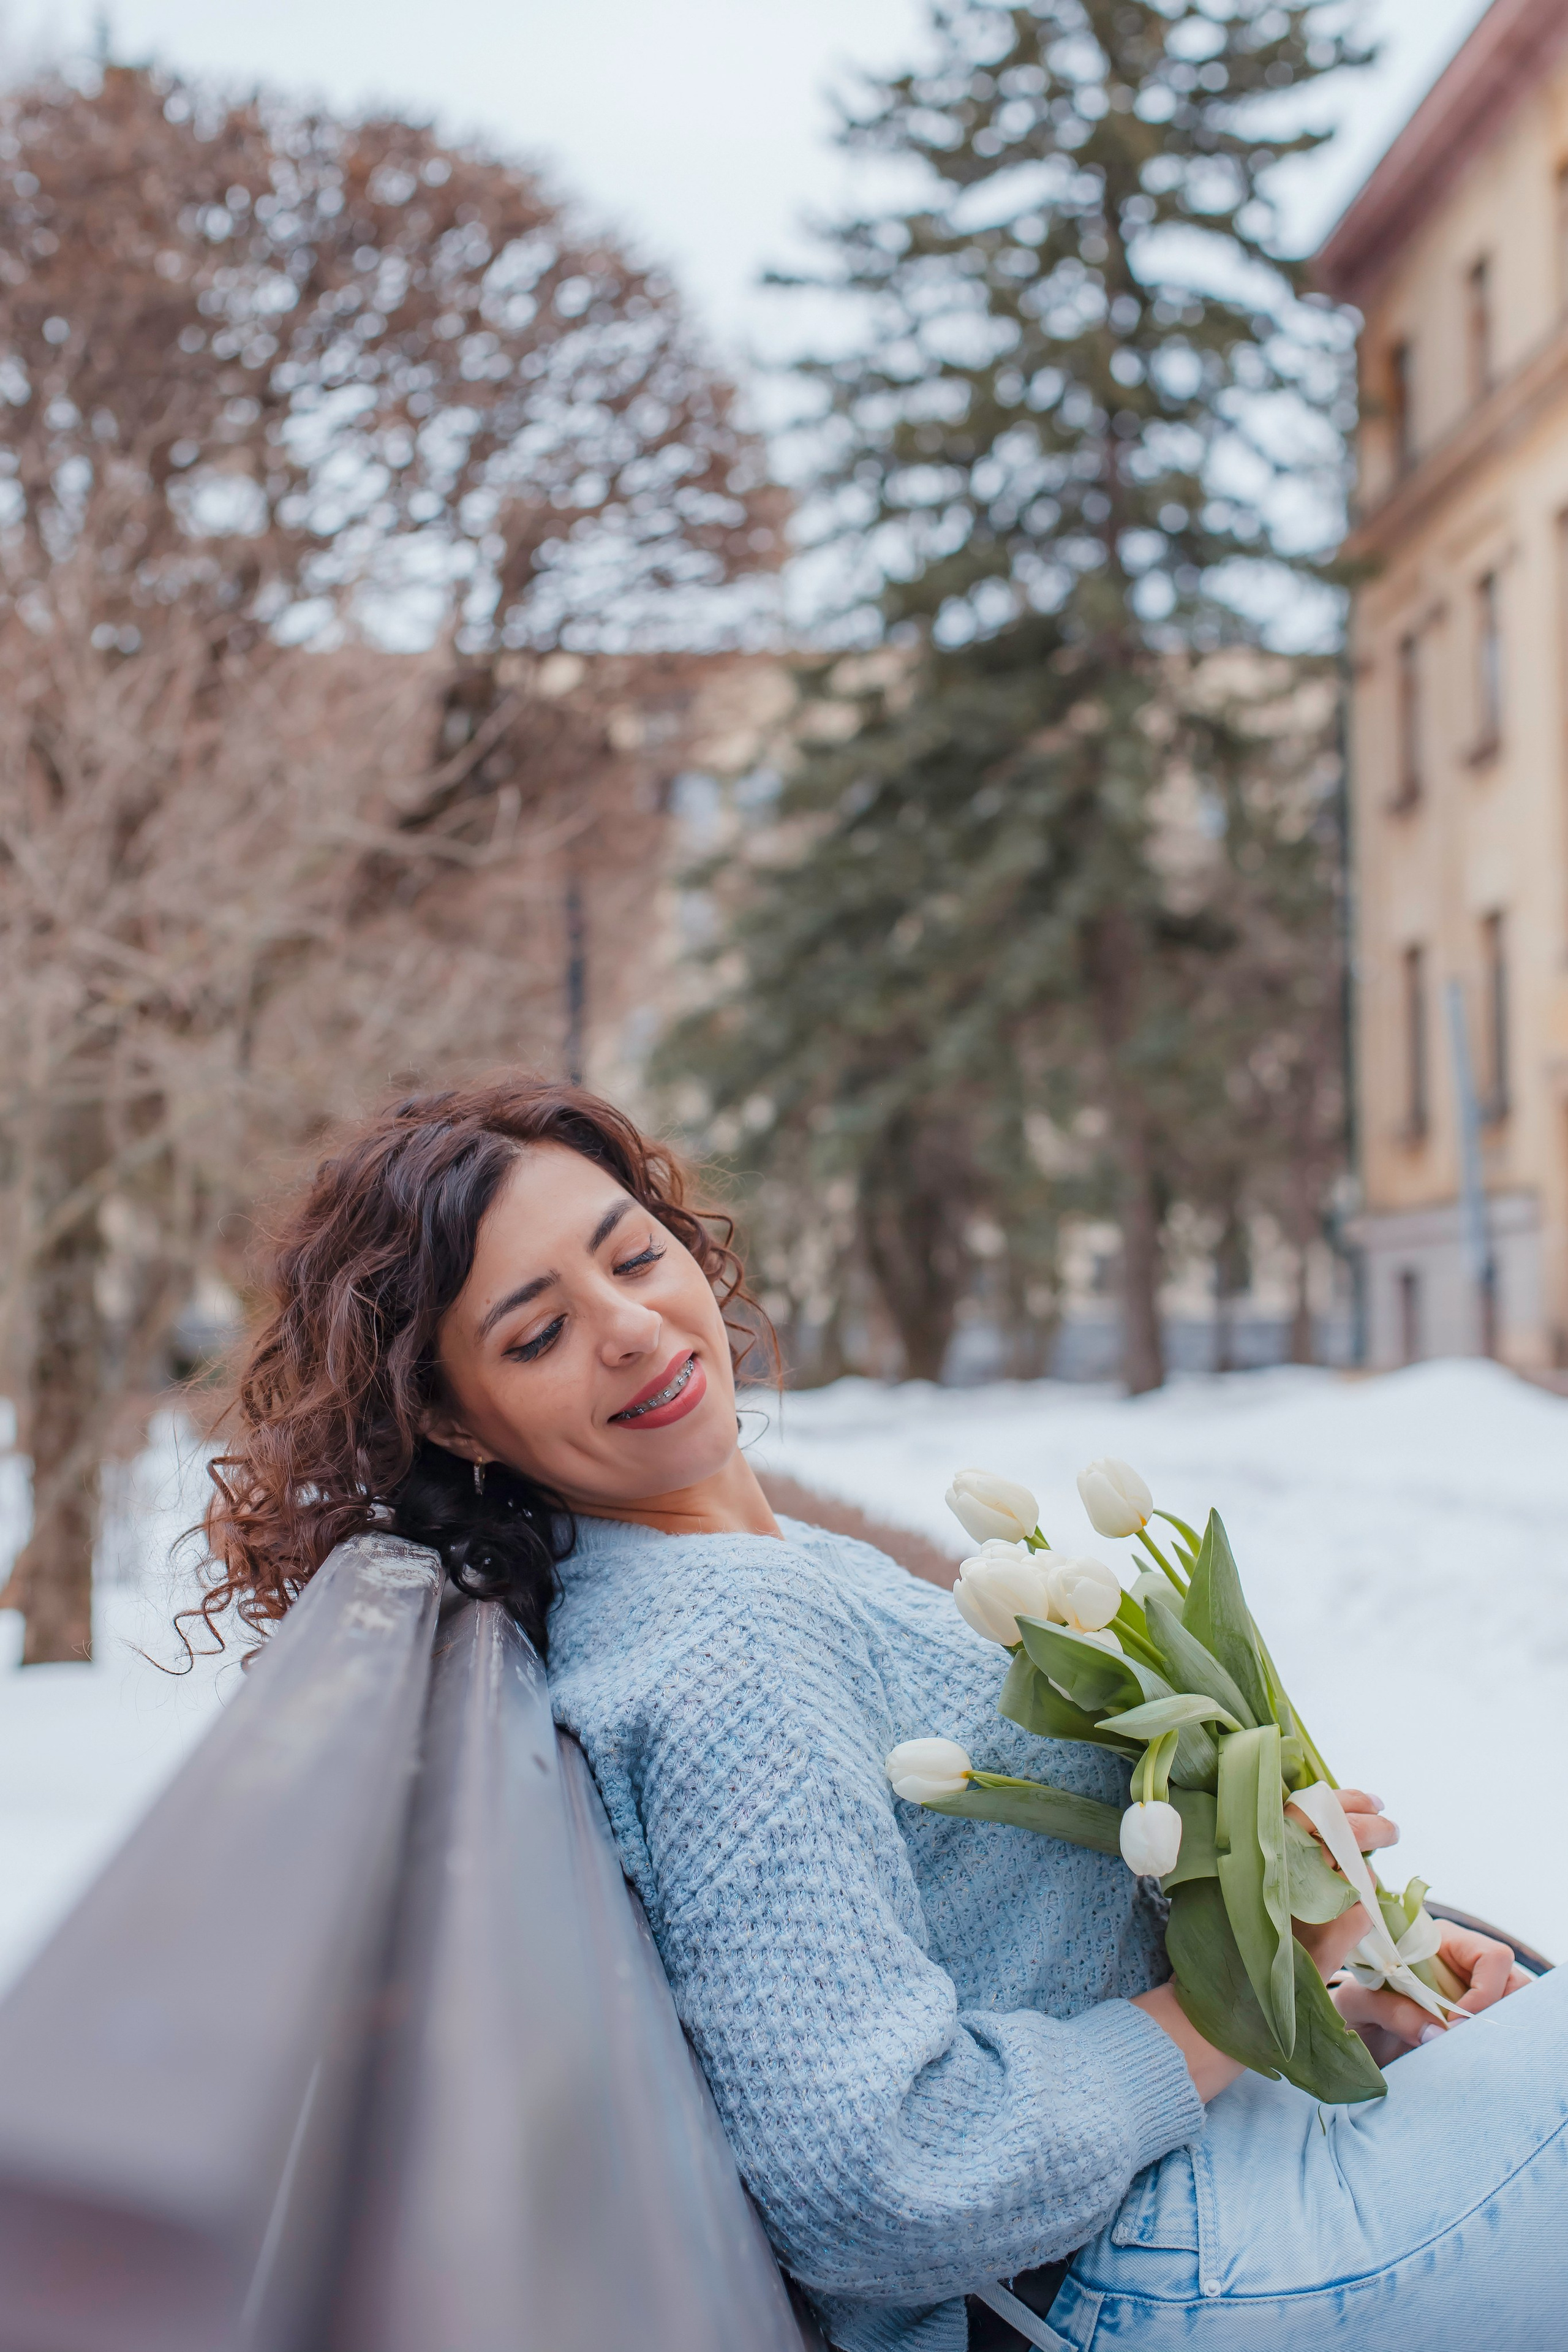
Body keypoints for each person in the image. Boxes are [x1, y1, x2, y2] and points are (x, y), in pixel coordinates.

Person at [201, 1076, 1562, 2352]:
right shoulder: (722, 1643)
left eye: (629, 1258)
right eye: (537, 1332)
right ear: (458, 1423)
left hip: (1197, 2191)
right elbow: (881, 2178)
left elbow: (1011, 1939)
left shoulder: (756, 1564)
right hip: (1143, 2268)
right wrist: (1240, 2014)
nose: (627, 1327)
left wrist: (1330, 1956)